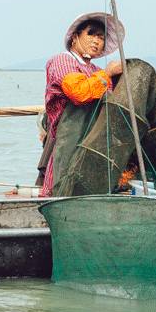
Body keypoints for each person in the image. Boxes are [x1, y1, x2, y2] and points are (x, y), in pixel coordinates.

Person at [38, 12, 125, 195]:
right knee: (62, 189)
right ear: (75, 37)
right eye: (91, 34)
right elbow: (79, 93)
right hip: (67, 142)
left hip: (92, 144)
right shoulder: (62, 61)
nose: (96, 41)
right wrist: (107, 74)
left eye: (101, 37)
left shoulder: (95, 70)